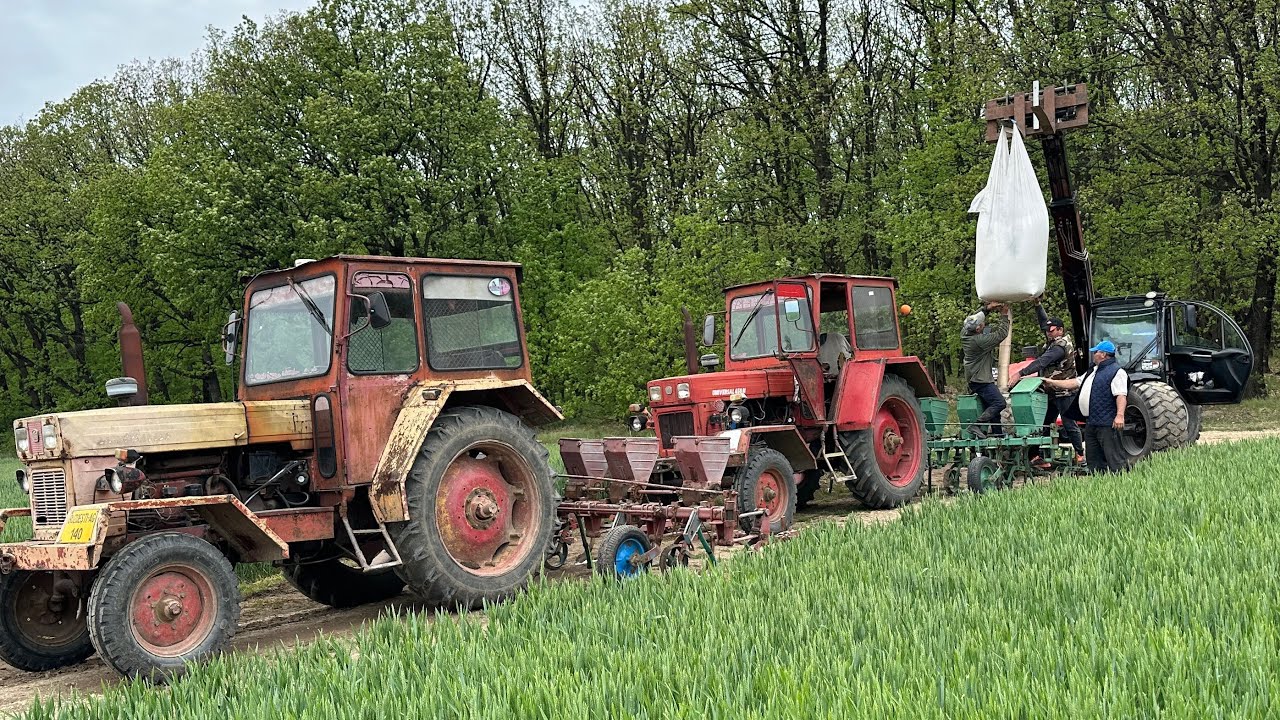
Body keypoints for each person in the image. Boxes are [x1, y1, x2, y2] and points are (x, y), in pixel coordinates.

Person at [1041, 340, 1129, 473]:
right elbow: (1075, 382)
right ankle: (1100, 483)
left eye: (1096, 352)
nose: (1093, 355)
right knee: (1094, 460)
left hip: (1107, 423)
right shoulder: (1093, 371)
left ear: (1103, 354)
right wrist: (1052, 382)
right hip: (1092, 422)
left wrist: (1120, 416)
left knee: (1114, 458)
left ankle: (1122, 482)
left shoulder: (1117, 372)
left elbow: (1121, 395)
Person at [1016, 303, 1084, 467]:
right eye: (1047, 330)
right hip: (1052, 392)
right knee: (1044, 423)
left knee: (1069, 423)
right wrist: (1038, 306)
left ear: (1060, 330)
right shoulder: (1054, 340)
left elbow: (1042, 362)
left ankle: (1080, 455)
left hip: (1064, 392)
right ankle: (1035, 456)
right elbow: (1044, 323)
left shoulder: (1060, 347)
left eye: (1051, 330)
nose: (1048, 332)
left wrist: (1020, 373)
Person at [961, 302, 1009, 438]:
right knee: (1000, 403)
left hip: (975, 379)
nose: (984, 324)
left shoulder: (965, 332)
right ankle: (976, 425)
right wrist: (1004, 315)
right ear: (978, 329)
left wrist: (987, 308)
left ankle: (997, 435)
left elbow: (975, 317)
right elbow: (1002, 334)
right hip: (981, 380)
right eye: (982, 324)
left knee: (992, 407)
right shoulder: (979, 341)